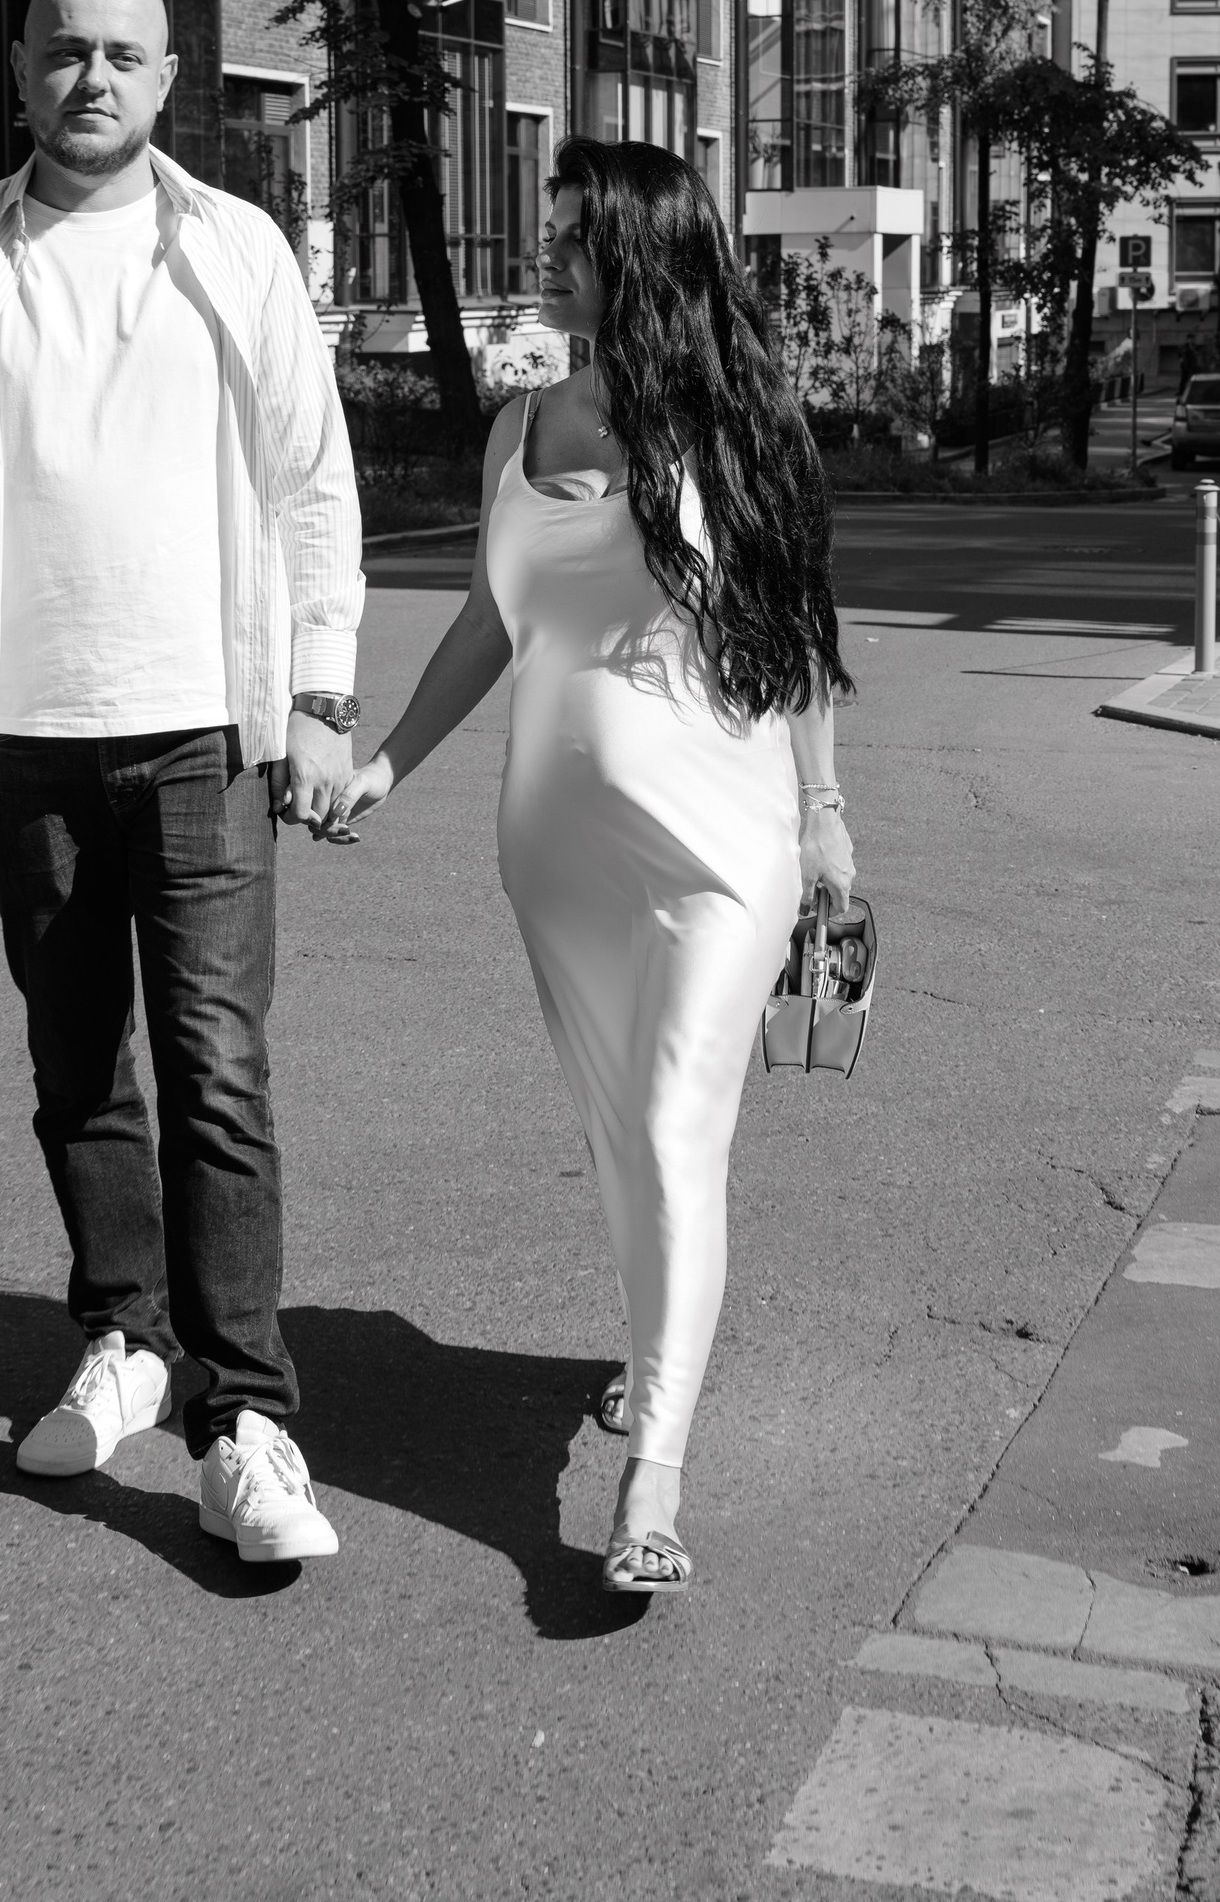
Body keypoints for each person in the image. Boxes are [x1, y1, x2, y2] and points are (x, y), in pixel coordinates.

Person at [0, 0, 362, 1567]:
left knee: (218, 1071)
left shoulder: (235, 249)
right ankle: (128, 1336)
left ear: (170, 77)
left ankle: (245, 1418)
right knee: (75, 1068)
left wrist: (321, 698)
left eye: (126, 53)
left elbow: (313, 482)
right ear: (19, 67)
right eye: (67, 50)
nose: (94, 78)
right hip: (29, 740)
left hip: (207, 732)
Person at [333, 140, 855, 1596]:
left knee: (679, 1122)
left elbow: (800, 633)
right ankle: (654, 1346)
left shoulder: (742, 423)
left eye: (574, 238)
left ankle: (653, 1480)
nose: (548, 257)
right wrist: (386, 762)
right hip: (553, 849)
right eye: (553, 232)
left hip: (721, 839)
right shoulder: (519, 426)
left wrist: (823, 812)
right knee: (623, 1130)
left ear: (644, 258)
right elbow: (490, 623)